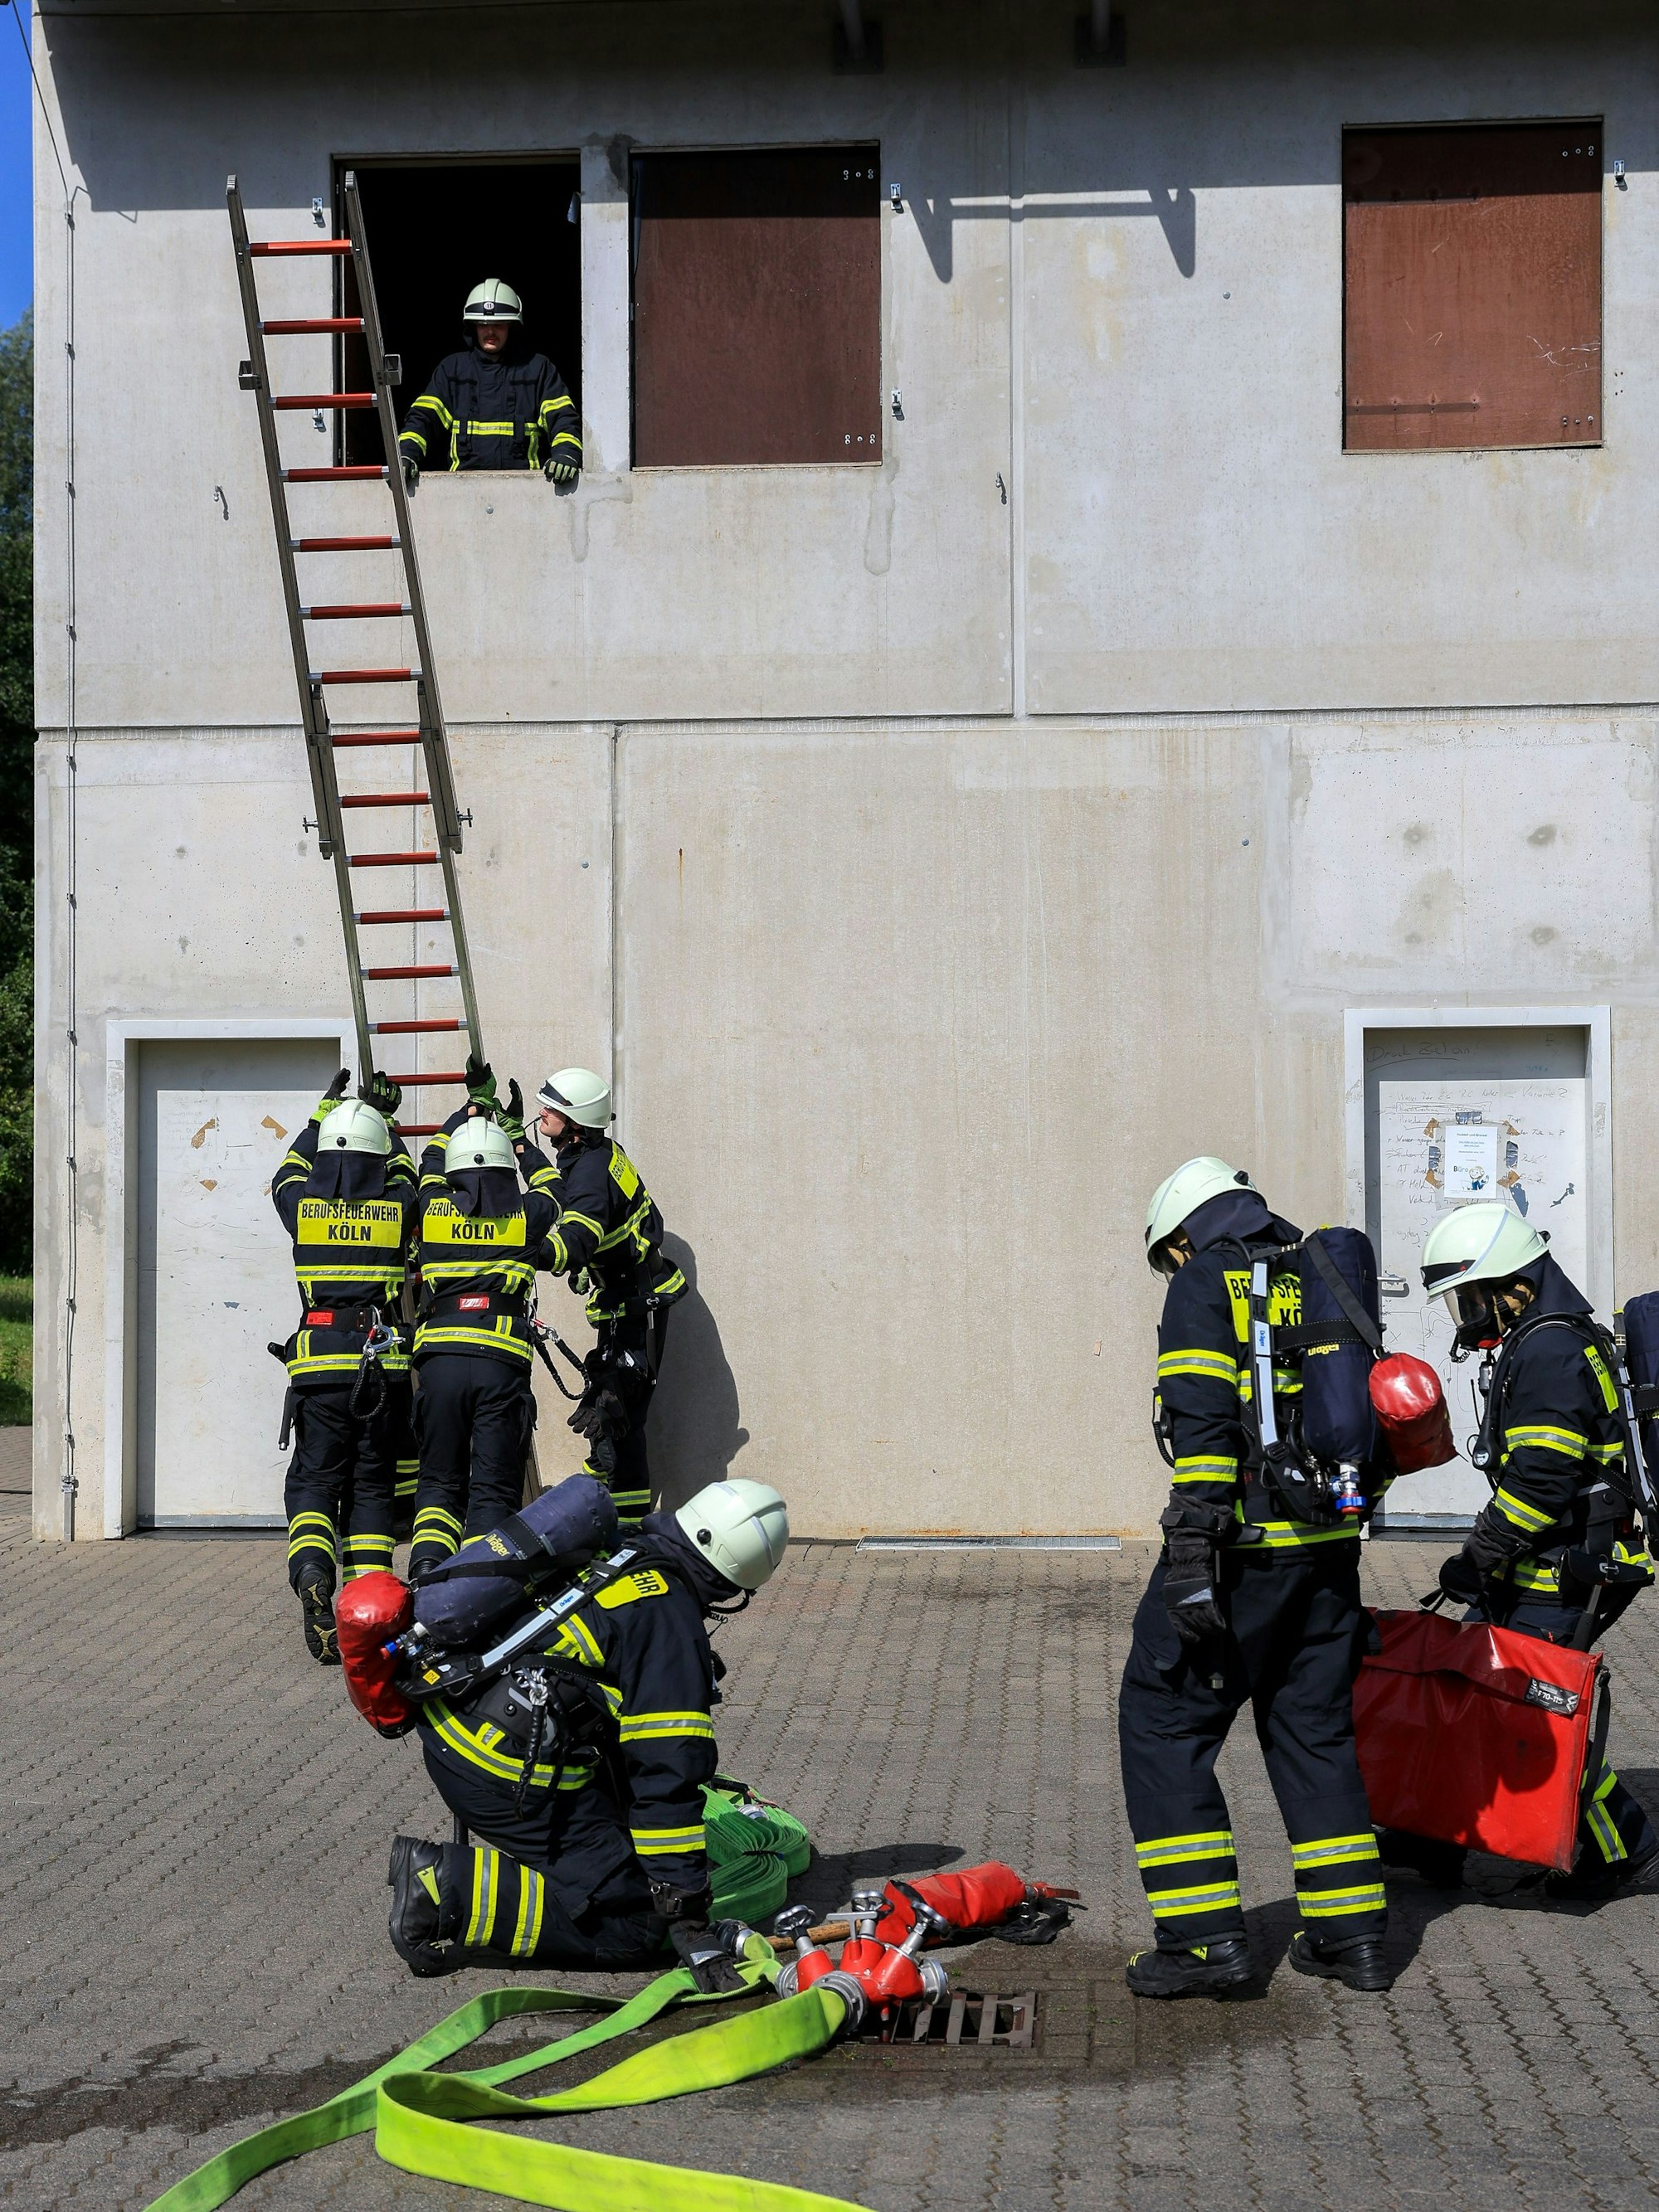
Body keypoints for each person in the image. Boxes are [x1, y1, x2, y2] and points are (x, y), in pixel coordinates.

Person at [1117, 1156, 1392, 1999]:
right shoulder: (1319, 1270)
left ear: (1185, 1231)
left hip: (1239, 1558)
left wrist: (1192, 1552)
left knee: (1162, 1726)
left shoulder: (1207, 1281)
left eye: (1169, 1253)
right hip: (1325, 1556)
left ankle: (1204, 1945)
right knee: (1312, 1732)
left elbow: (1202, 1427)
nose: (1171, 1268)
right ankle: (1353, 1939)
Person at [387, 1476, 790, 1980]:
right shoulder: (669, 1628)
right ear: (735, 1583)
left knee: (627, 1860)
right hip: (501, 1774)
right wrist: (687, 1919)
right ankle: (445, 1887)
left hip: (452, 1723)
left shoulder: (619, 1547)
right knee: (638, 1923)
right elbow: (666, 1775)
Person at [1407, 1200, 1659, 1897]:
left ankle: (1623, 1848)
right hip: (1546, 1557)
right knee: (1473, 1688)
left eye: (1469, 1297)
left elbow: (1540, 1488)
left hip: (1570, 1566)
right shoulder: (1543, 1337)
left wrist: (1475, 1558)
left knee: (1534, 1711)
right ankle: (1434, 1839)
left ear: (1511, 1285)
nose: (1465, 1315)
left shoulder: (1548, 1351)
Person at [270, 1068, 416, 1663]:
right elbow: (408, 1173)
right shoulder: (396, 1204)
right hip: (379, 1369)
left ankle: (312, 1575)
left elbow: (286, 1170)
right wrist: (387, 1121)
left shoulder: (301, 1205)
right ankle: (367, 1616)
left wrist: (321, 1113)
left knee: (313, 1482)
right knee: (372, 1490)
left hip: (317, 1369)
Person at [512, 1067, 688, 1530]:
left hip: (635, 1305)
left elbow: (577, 1238)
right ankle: (629, 1529)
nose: (541, 1112)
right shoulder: (596, 1153)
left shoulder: (590, 1171)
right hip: (628, 1299)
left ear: (574, 1121)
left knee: (614, 1416)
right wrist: (518, 1141)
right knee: (619, 1421)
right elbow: (557, 1182)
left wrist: (525, 1252)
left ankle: (618, 1526)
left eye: (551, 1108)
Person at [406, 1072, 560, 1578]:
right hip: (500, 1363)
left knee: (438, 1483)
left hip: (440, 1364)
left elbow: (429, 1158)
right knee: (493, 1489)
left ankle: (427, 1570)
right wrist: (517, 1135)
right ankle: (477, 1590)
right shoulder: (526, 1213)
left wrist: (468, 1111)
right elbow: (553, 1185)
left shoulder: (430, 1208)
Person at [397, 279, 581, 483]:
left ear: (512, 326)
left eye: (499, 324)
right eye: (484, 324)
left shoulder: (538, 369)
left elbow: (562, 418)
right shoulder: (453, 371)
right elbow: (424, 419)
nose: (491, 332)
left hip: (527, 492)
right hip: (461, 492)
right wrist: (405, 456)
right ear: (473, 326)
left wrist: (566, 454)